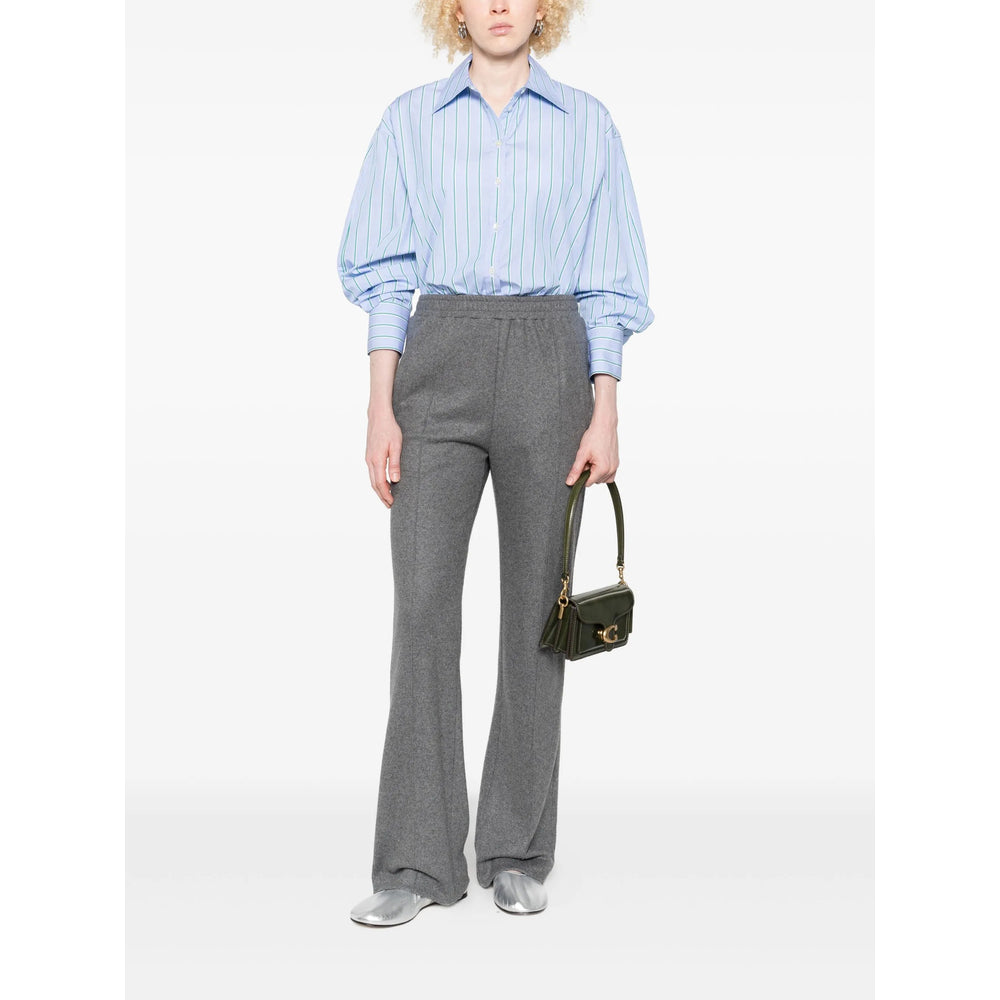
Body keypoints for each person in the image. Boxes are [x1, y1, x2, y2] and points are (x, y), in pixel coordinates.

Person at [337, 0, 653, 926]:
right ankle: (415, 859)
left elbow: (608, 276)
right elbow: (386, 272)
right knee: (422, 608)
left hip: (552, 360)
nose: (501, 4)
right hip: (438, 356)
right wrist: (381, 406)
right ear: (455, 8)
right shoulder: (409, 120)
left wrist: (605, 406)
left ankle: (515, 847)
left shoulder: (587, 124)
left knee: (535, 618)